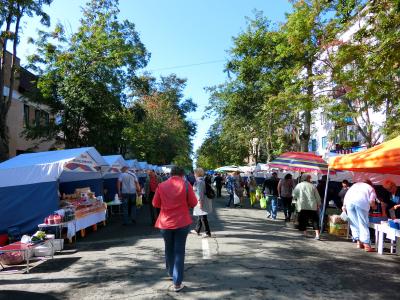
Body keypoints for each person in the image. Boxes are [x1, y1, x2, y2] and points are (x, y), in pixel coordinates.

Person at [152, 166, 198, 292]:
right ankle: (177, 283)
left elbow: (155, 203)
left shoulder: (161, 185)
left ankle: (172, 273)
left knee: (169, 248)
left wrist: (166, 204)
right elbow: (194, 203)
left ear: (171, 174)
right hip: (182, 221)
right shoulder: (186, 184)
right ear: (182, 174)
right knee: (179, 251)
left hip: (165, 222)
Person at [342, 180, 377, 252]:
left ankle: (359, 242)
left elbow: (346, 196)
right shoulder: (371, 188)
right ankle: (367, 245)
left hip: (349, 203)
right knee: (363, 224)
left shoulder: (355, 185)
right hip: (362, 204)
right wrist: (374, 207)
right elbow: (371, 202)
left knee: (354, 223)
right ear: (370, 184)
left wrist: (344, 206)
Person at [292, 174, 321, 240]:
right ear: (307, 179)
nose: (311, 179)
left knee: (303, 220)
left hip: (302, 206)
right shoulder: (312, 186)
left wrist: (294, 201)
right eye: (310, 178)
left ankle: (305, 234)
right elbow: (317, 197)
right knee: (315, 221)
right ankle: (317, 235)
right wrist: (318, 204)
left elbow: (294, 195)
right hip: (312, 206)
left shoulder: (298, 185)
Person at [191, 168, 213, 238]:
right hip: (202, 200)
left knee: (203, 217)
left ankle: (207, 232)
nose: (194, 174)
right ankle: (197, 230)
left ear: (197, 173)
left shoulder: (199, 181)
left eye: (194, 173)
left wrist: (200, 202)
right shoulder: (201, 180)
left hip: (201, 201)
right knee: (200, 216)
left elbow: (200, 193)